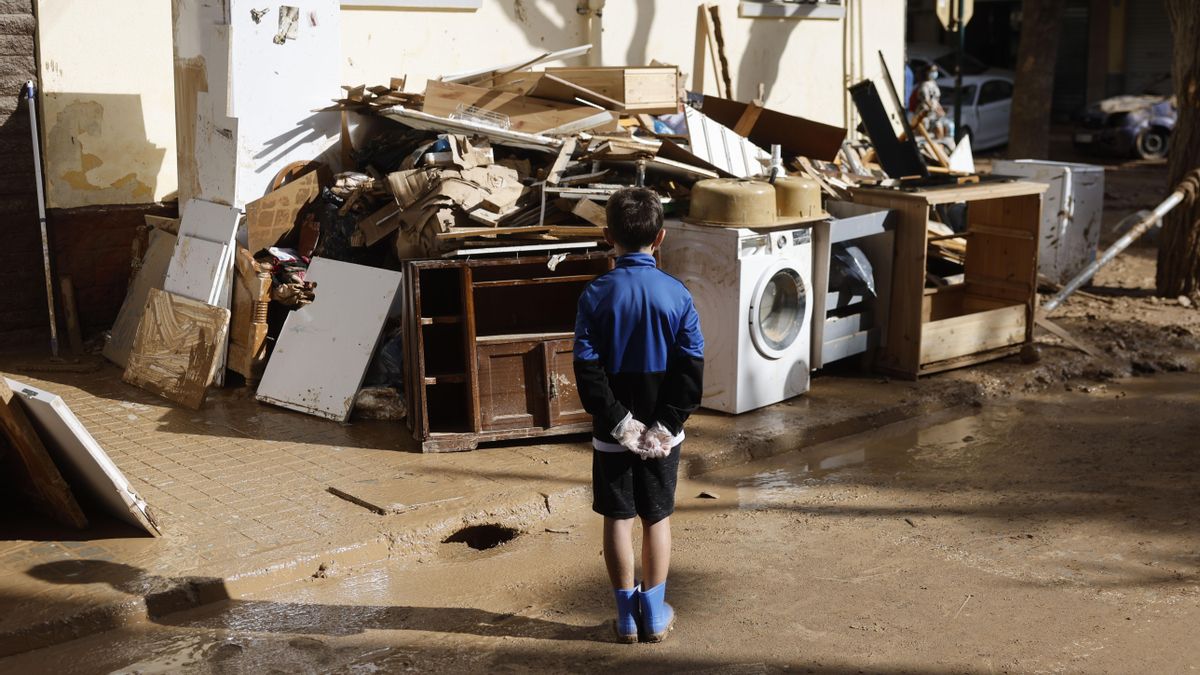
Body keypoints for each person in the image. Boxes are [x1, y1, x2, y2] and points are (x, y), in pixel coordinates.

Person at [573, 187, 704, 644]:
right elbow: (691, 370)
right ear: (661, 237)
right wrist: (665, 424)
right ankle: (654, 614)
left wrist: (618, 422)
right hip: (664, 429)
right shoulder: (678, 294)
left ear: (608, 236)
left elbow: (587, 370)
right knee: (657, 517)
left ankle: (625, 618)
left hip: (614, 430)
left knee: (617, 516)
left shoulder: (595, 294)